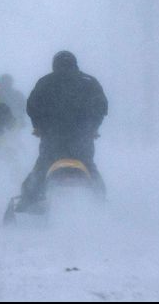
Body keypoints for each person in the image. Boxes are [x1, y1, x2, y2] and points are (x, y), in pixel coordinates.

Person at [16, 51, 108, 211]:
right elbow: (102, 108)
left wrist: (38, 126)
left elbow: (32, 107)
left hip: (52, 139)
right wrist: (93, 128)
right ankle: (100, 203)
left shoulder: (45, 82)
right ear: (75, 64)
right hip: (82, 140)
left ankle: (25, 205)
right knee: (89, 166)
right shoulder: (89, 81)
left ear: (54, 64)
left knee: (41, 168)